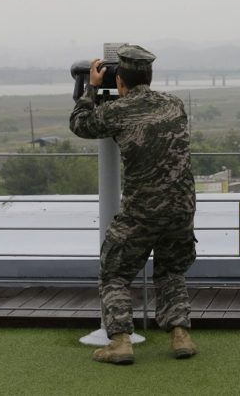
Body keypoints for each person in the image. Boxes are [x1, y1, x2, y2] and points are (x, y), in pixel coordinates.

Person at [70, 44, 198, 365]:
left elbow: (80, 123)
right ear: (150, 77)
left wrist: (92, 88)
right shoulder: (174, 104)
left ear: (121, 81)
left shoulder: (117, 111)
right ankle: (180, 335)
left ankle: (120, 341)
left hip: (143, 209)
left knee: (114, 271)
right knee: (171, 271)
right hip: (182, 206)